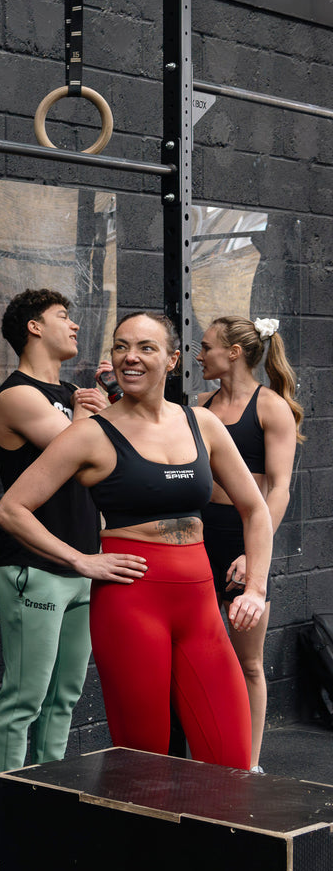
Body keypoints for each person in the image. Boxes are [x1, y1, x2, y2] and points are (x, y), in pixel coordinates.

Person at [0, 311, 271, 770]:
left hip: (199, 603)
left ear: (172, 360)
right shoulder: (91, 433)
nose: (130, 357)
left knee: (233, 759)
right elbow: (11, 509)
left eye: (146, 347)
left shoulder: (201, 423)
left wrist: (256, 587)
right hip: (131, 602)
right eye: (121, 346)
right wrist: (83, 561)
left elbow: (255, 508)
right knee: (147, 759)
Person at [0, 291, 106, 819]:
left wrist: (104, 401)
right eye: (63, 317)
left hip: (85, 565)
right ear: (33, 327)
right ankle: (8, 815)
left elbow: (109, 461)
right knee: (24, 699)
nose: (75, 325)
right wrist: (105, 410)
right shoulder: (19, 396)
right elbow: (85, 455)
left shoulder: (73, 394)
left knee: (65, 697)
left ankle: (49, 806)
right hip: (33, 568)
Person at [195, 315, 303, 771]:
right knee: (200, 658)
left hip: (246, 536)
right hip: (199, 536)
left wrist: (252, 553)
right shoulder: (199, 404)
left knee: (249, 663)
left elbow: (279, 488)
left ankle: (249, 765)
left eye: (207, 347)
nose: (200, 355)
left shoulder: (270, 406)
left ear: (233, 353)